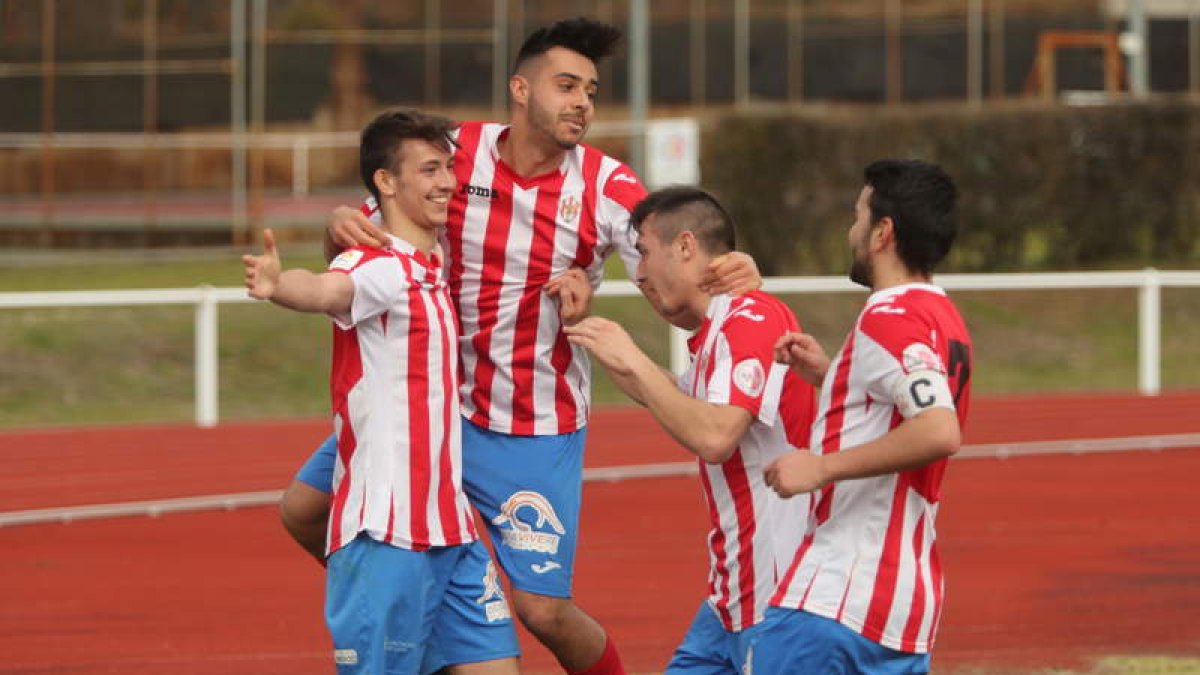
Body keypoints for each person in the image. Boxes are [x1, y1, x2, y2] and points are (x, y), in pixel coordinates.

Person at [280, 17, 761, 675]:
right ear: (520, 89)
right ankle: (416, 614)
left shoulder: (605, 185)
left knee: (542, 610)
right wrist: (336, 229)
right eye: (566, 86)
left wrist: (725, 277)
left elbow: (670, 261)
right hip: (427, 412)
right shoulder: (456, 154)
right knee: (304, 510)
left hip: (531, 424)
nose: (582, 103)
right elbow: (364, 243)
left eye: (591, 91)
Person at [243, 109, 520, 675]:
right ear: (386, 183)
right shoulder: (380, 267)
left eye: (448, 167)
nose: (446, 181)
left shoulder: (431, 262)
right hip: (387, 534)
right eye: (429, 170)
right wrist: (279, 286)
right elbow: (328, 288)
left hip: (452, 533)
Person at [563, 187, 817, 674]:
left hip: (776, 597)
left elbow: (716, 436)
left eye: (642, 253)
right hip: (731, 598)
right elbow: (673, 397)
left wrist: (633, 358)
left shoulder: (751, 317)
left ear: (684, 247)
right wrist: (589, 330)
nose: (637, 274)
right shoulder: (714, 334)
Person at [755, 159, 973, 673]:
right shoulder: (942, 316)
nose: (850, 230)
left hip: (839, 597)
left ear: (883, 233)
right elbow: (909, 405)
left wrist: (820, 467)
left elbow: (939, 429)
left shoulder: (888, 316)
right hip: (903, 604)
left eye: (857, 216)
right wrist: (833, 377)